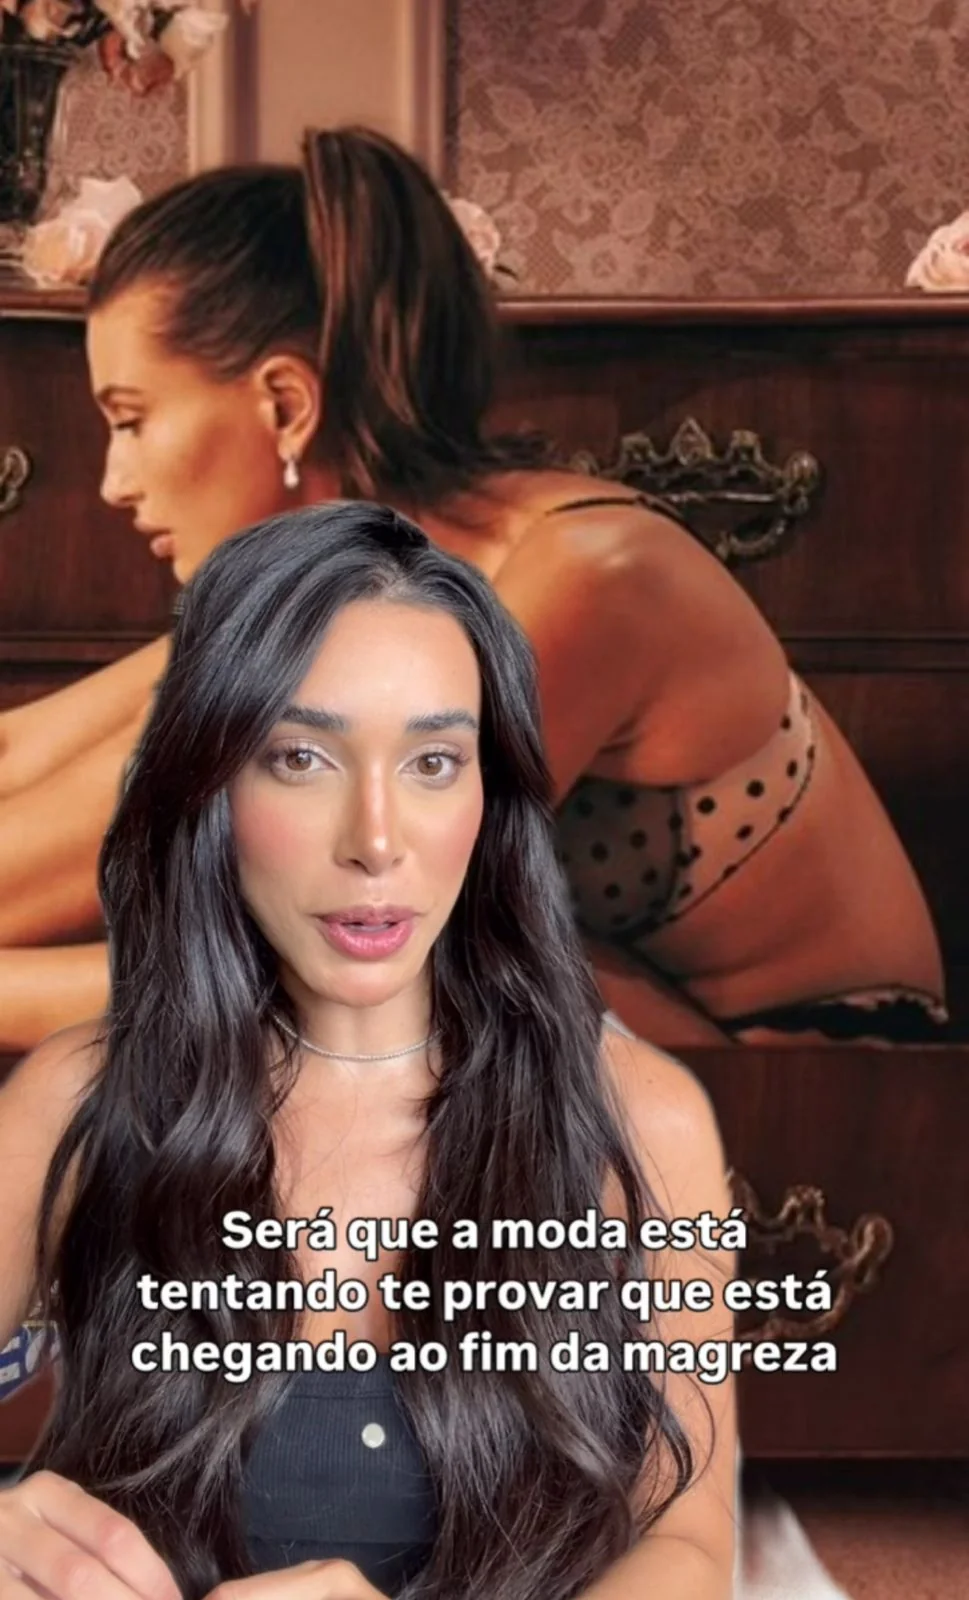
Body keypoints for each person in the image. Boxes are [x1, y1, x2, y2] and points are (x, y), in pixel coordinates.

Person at [0, 125, 946, 1054]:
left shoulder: (586, 578)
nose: (114, 483)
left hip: (820, 1086)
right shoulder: (343, 584)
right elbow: (35, 756)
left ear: (286, 404)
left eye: (131, 420)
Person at [0, 503, 737, 1600]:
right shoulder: (78, 1100)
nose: (376, 840)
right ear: (211, 785)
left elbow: (687, 1546)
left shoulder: (640, 1118)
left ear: (489, 797)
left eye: (435, 760)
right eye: (300, 757)